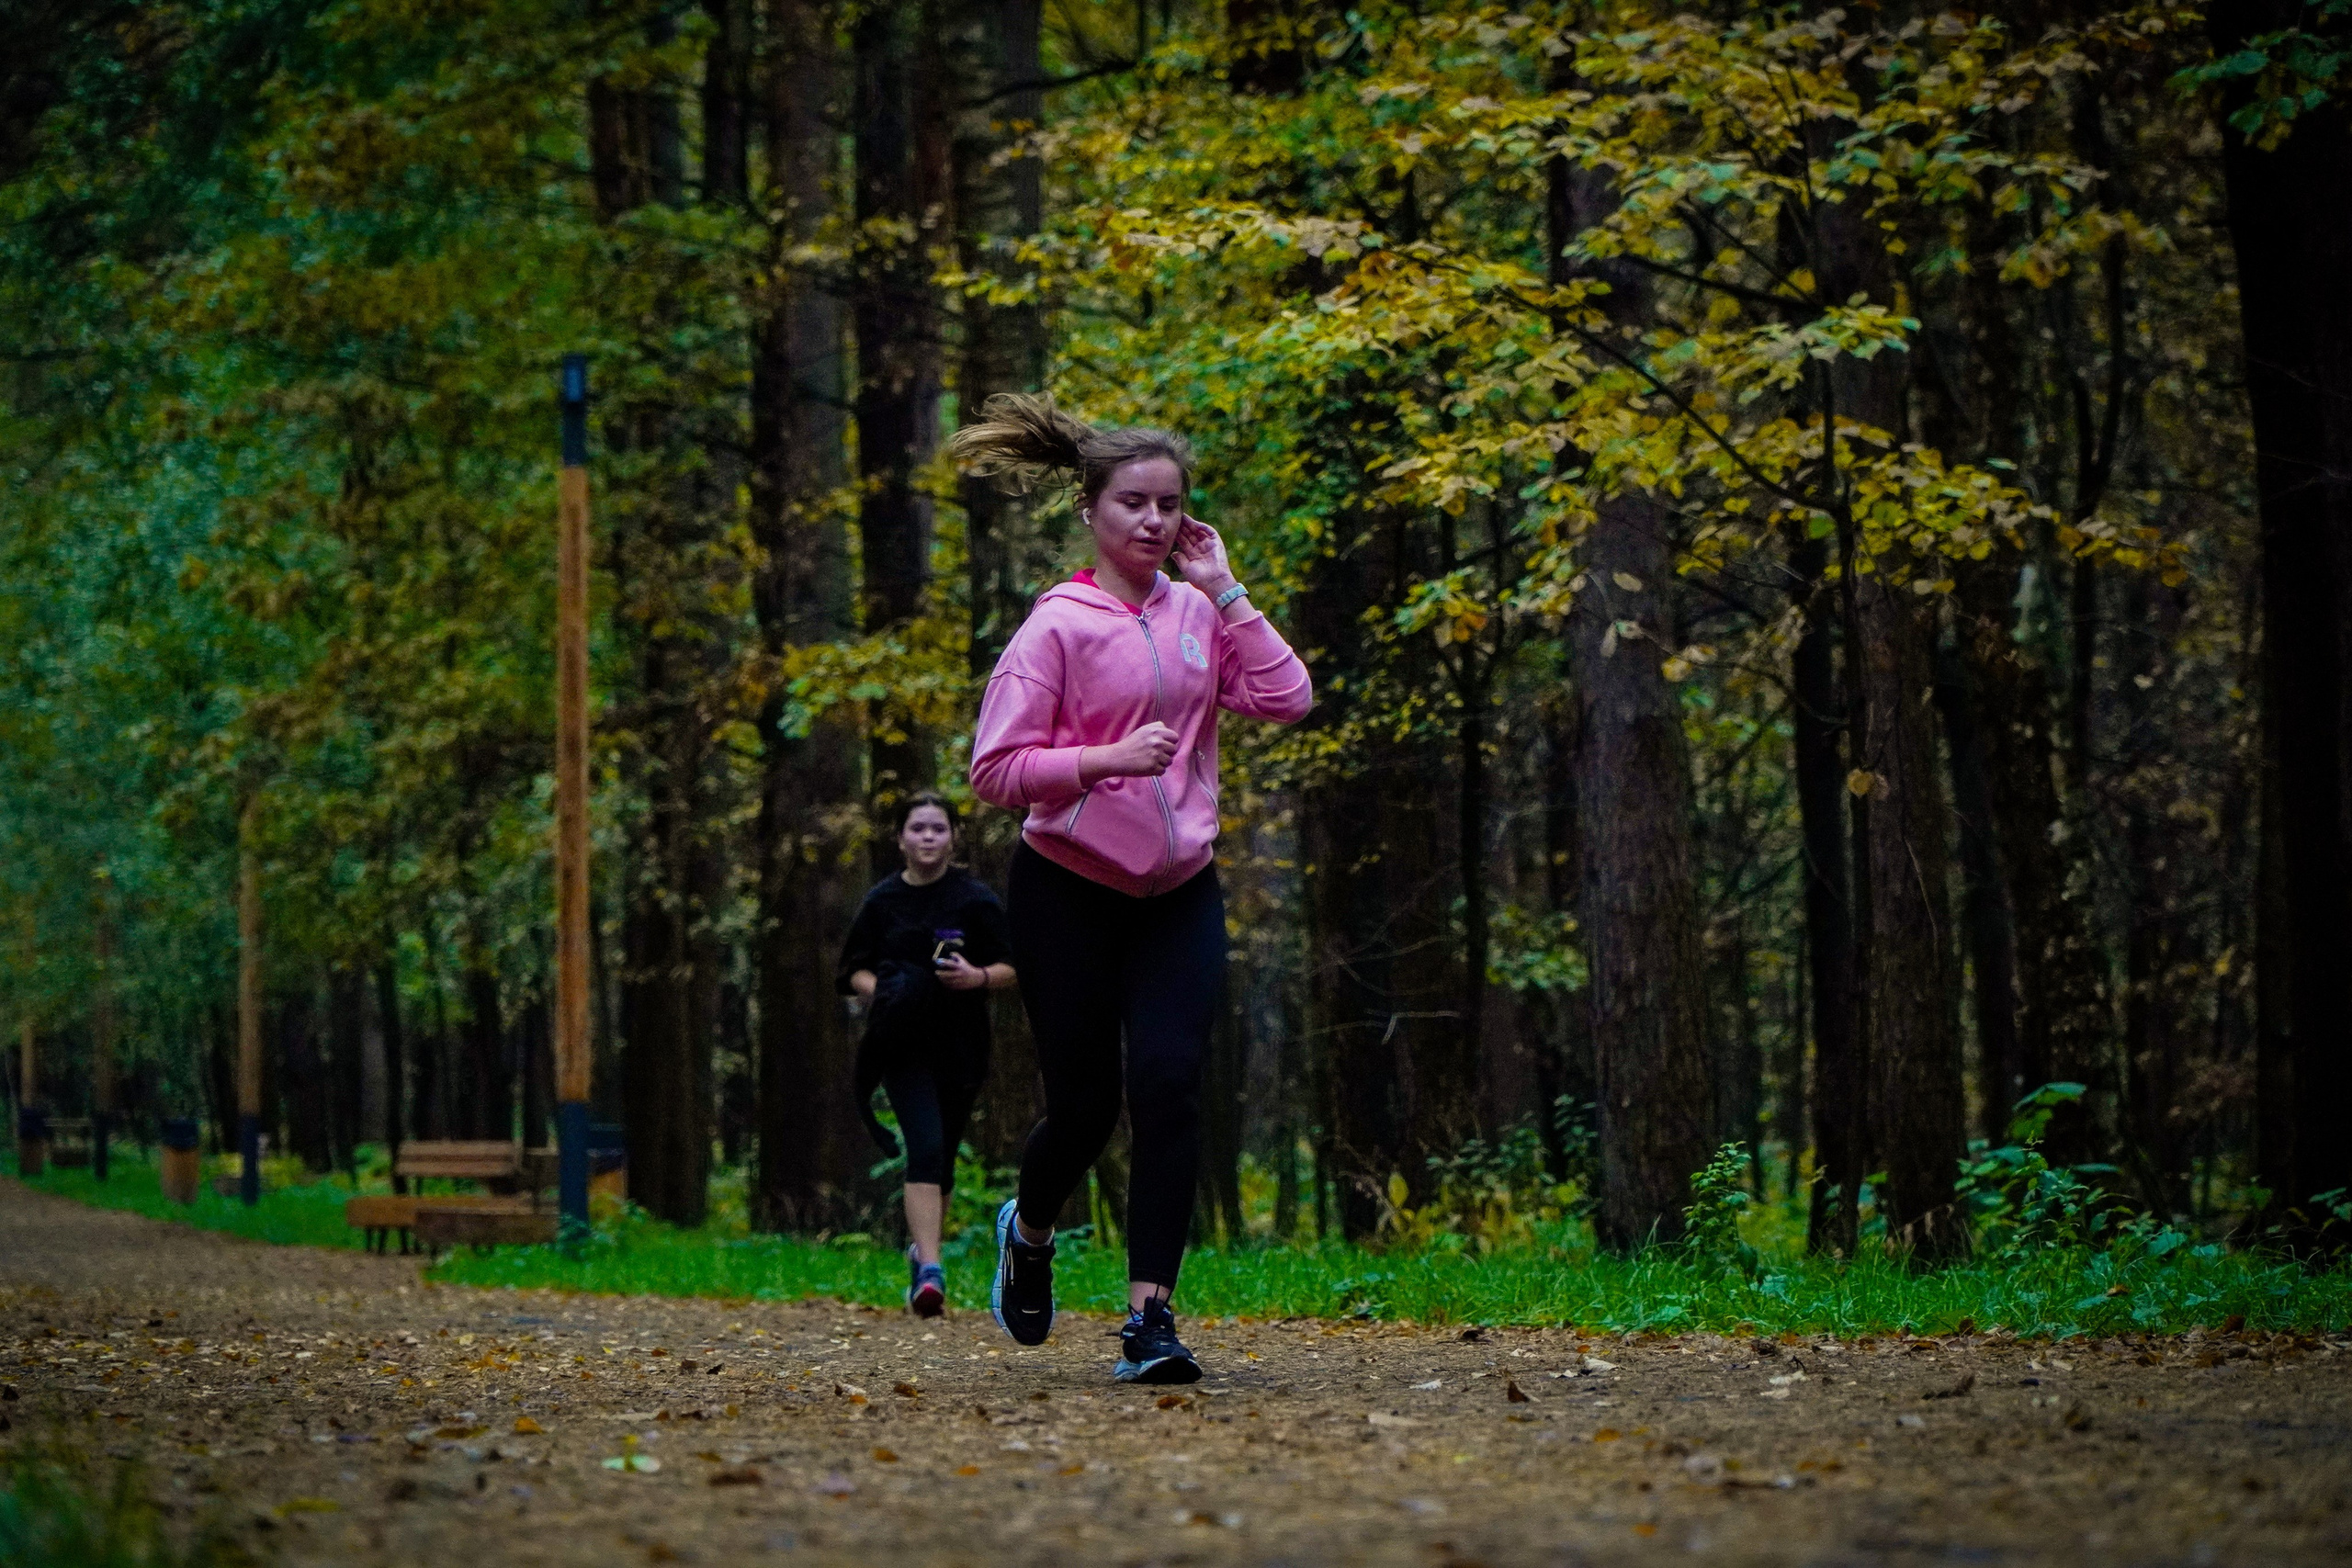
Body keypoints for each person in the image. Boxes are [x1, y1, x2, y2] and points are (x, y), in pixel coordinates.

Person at [960, 393, 1313, 1384]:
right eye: (1133, 505)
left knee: (1167, 1085)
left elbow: (1288, 700)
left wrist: (1227, 586)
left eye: (1169, 505)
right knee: (1082, 1108)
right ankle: (1027, 1233)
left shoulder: (1200, 613)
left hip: (1178, 893)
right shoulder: (1055, 630)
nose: (1153, 523)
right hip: (1066, 890)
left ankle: (1149, 1318)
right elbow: (994, 771)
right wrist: (1101, 760)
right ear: (1090, 512)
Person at [838, 792, 1016, 1317]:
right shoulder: (881, 902)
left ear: (954, 836)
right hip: (901, 1045)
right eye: (918, 829)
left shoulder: (976, 900)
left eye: (938, 829)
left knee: (944, 1155)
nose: (928, 838)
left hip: (961, 1045)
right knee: (927, 1146)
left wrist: (976, 977)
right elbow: (852, 969)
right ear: (900, 838)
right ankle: (933, 1272)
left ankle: (922, 1254)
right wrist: (886, 990)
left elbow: (1014, 966)